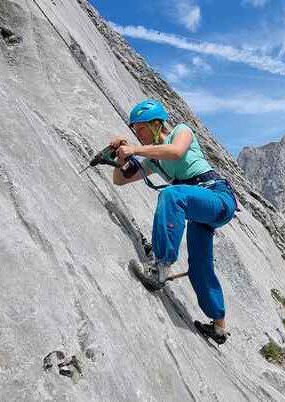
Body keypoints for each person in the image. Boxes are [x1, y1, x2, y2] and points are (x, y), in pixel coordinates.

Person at [109, 99, 237, 345]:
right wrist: (119, 156)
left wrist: (135, 149)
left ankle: (160, 266)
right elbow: (120, 180)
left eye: (141, 129)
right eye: (135, 131)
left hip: (218, 197)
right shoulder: (154, 159)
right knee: (200, 265)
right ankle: (219, 326)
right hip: (200, 210)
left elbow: (176, 151)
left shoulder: (181, 130)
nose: (138, 134)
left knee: (171, 193)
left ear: (157, 124)